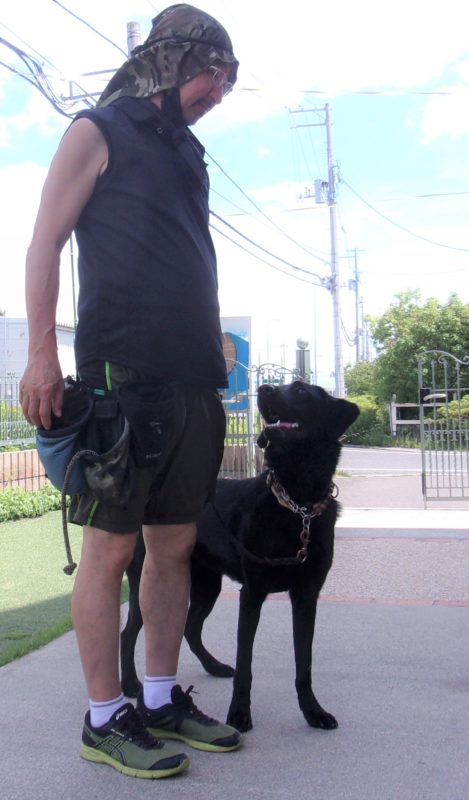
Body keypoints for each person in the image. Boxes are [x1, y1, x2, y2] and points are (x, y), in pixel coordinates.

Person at [19, 3, 241, 780]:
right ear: (175, 61)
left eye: (228, 83)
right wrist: (40, 353)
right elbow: (45, 240)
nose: (219, 94)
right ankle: (103, 717)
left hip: (193, 380)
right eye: (213, 77)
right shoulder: (97, 129)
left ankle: (159, 698)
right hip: (123, 380)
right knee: (111, 551)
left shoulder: (187, 152)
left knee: (173, 547)